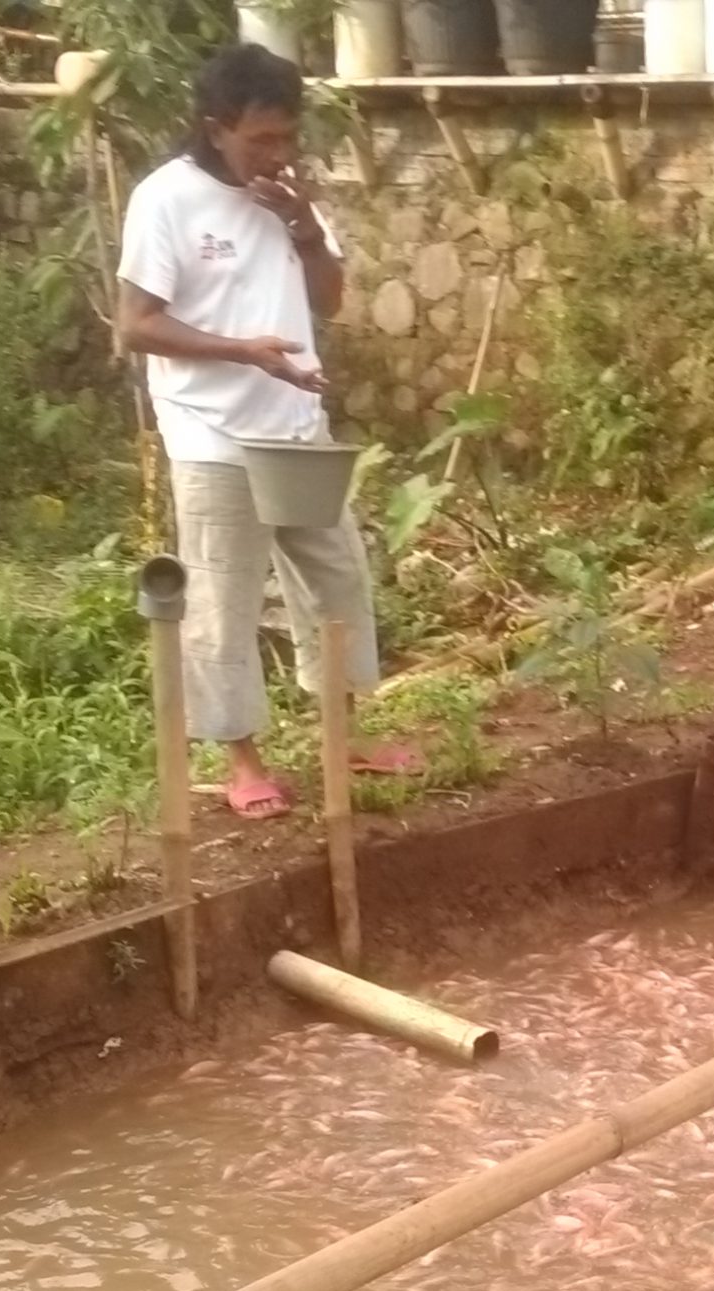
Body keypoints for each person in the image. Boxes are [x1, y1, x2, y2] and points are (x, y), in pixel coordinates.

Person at [115, 44, 416, 819]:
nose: (277, 154)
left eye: (288, 138)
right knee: (225, 600)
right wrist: (241, 352)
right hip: (213, 436)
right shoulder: (165, 200)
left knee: (337, 581)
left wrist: (304, 226)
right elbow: (135, 327)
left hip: (296, 427)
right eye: (261, 140)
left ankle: (340, 737)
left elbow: (330, 302)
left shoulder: (289, 199)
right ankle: (243, 762)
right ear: (217, 128)